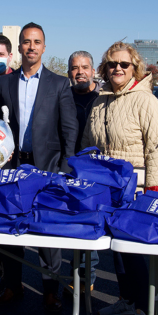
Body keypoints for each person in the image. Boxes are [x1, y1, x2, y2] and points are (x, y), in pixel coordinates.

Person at [0, 22, 78, 312]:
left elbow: (69, 129)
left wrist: (65, 168)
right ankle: (12, 285)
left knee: (47, 231)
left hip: (48, 167)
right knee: (10, 226)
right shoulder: (4, 83)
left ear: (44, 47)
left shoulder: (59, 83)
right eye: (26, 42)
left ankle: (50, 291)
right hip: (14, 166)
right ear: (19, 47)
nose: (31, 46)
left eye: (36, 42)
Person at [82, 41, 158, 315]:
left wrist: (154, 188)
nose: (117, 68)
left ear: (135, 68)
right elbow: (88, 142)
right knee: (117, 251)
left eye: (124, 64)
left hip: (137, 187)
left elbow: (156, 148)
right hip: (107, 188)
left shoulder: (146, 100)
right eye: (112, 64)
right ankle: (127, 301)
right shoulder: (100, 100)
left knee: (134, 252)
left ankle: (145, 311)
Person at [67, 50, 100, 291]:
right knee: (74, 222)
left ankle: (87, 278)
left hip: (97, 169)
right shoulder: (63, 97)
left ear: (93, 71)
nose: (80, 72)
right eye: (75, 68)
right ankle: (76, 276)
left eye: (85, 67)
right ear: (69, 72)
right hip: (70, 166)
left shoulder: (103, 97)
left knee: (92, 221)